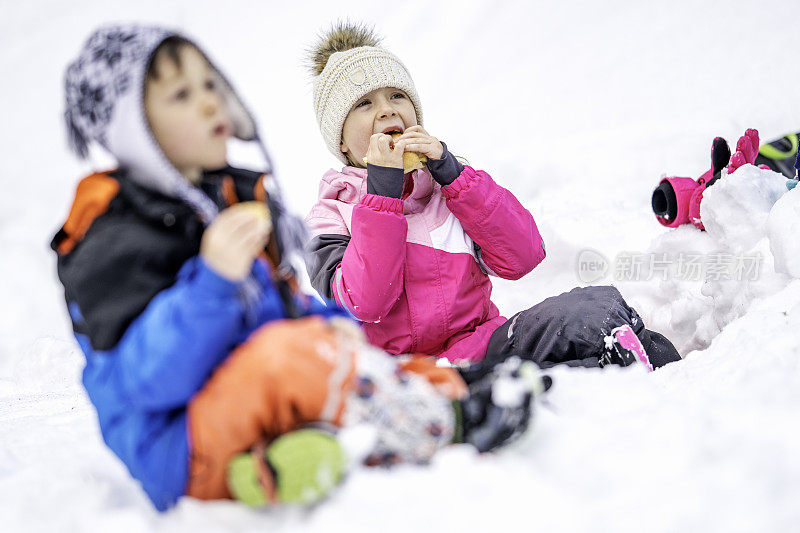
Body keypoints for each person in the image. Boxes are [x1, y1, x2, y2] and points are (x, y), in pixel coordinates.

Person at [53, 24, 543, 512]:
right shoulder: (111, 235)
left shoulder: (227, 199)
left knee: (323, 345)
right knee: (287, 355)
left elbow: (283, 306)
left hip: (257, 401)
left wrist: (332, 326)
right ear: (132, 128)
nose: (209, 103)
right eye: (181, 94)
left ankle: (300, 456)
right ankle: (447, 422)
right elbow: (147, 380)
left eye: (210, 85)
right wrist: (215, 283)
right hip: (178, 442)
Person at [305, 22, 682, 378]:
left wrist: (454, 176)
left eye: (397, 95)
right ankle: (605, 374)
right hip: (406, 381)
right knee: (564, 373)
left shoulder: (448, 186)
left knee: (590, 310)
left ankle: (652, 368)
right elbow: (366, 303)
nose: (387, 109)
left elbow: (524, 255)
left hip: (486, 349)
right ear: (340, 140)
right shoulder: (332, 213)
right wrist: (382, 192)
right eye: (365, 104)